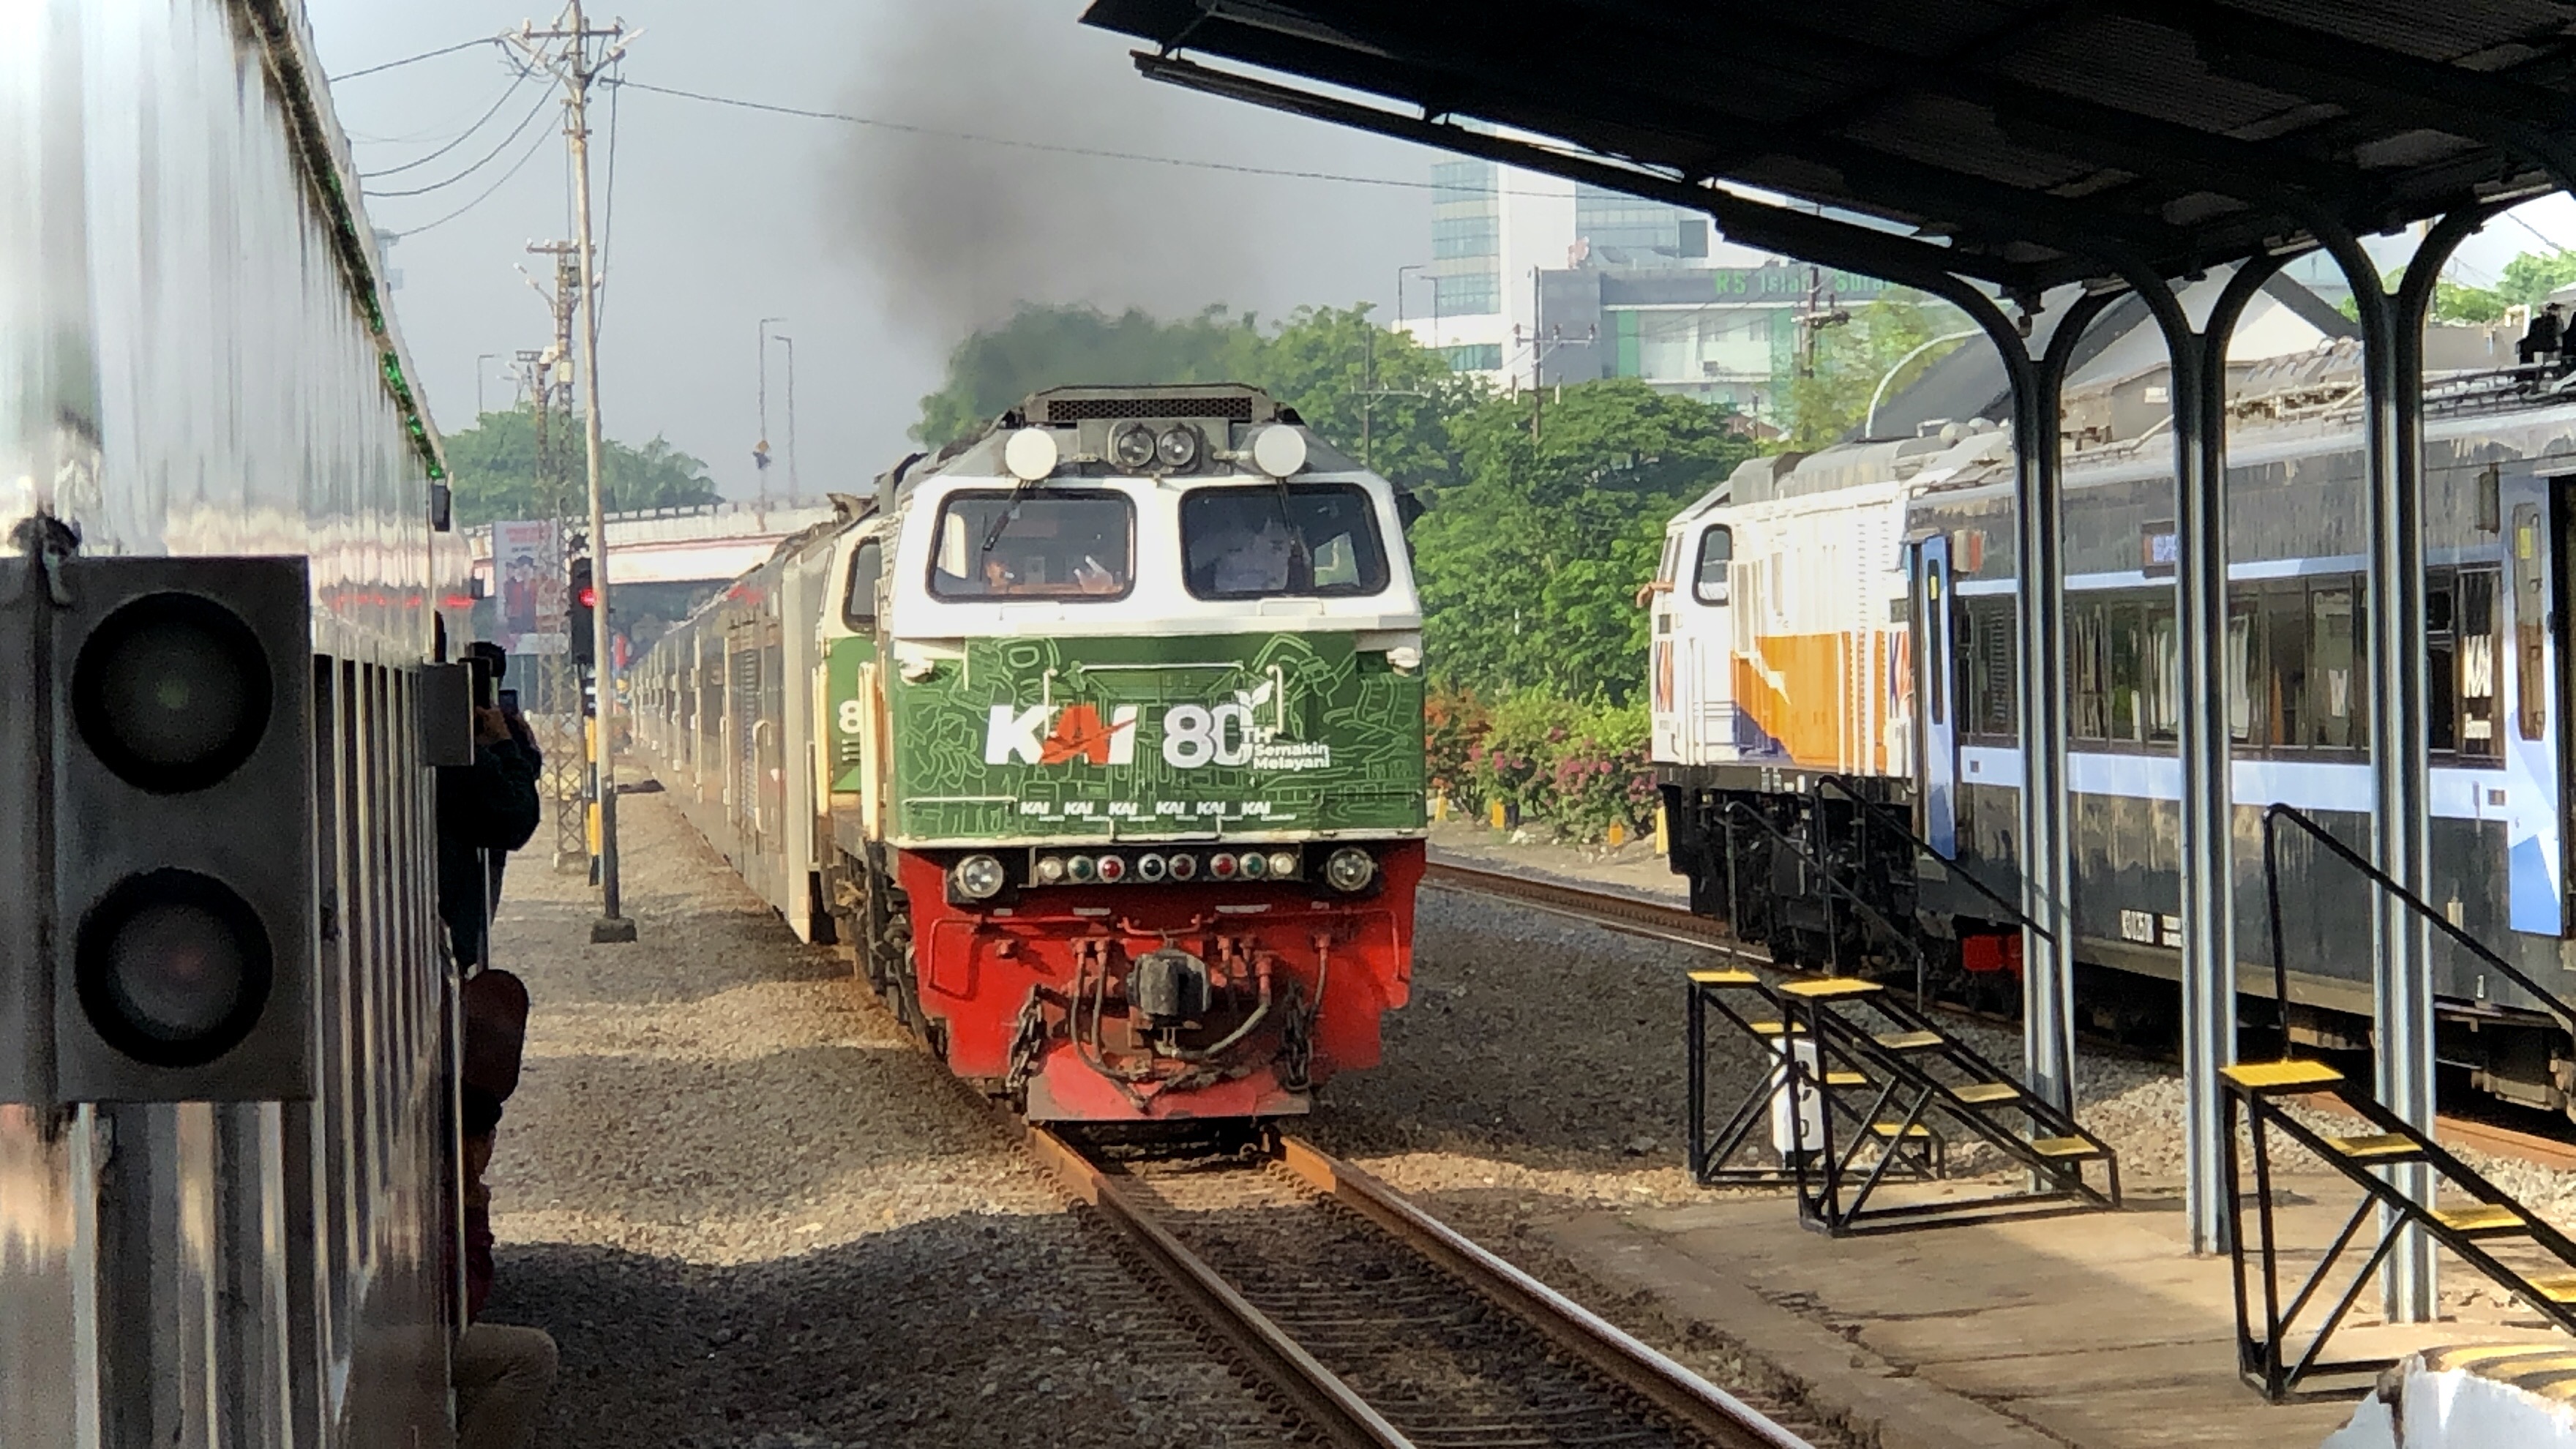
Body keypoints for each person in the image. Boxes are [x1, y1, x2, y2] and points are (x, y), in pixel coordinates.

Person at [2520, 302, 2564, 373]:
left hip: (2536, 346)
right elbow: (2558, 335)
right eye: (2556, 310)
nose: (2558, 312)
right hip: (2547, 345)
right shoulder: (2555, 321)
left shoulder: (2537, 321)